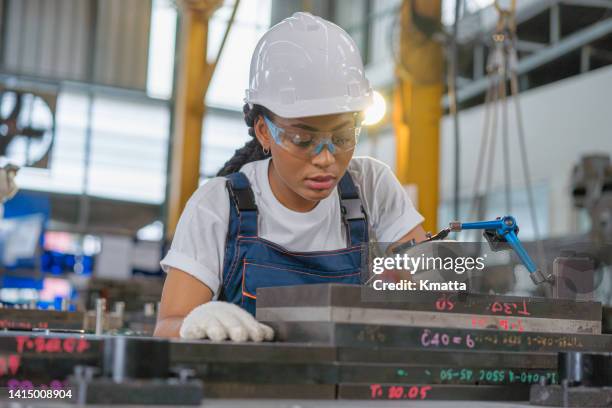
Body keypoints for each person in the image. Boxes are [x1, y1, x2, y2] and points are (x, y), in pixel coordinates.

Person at [154, 12, 427, 342]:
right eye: (302, 139)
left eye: (342, 138)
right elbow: (166, 327)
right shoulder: (218, 206)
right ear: (263, 132)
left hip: (349, 389)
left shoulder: (370, 186)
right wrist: (193, 323)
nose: (326, 159)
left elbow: (429, 288)